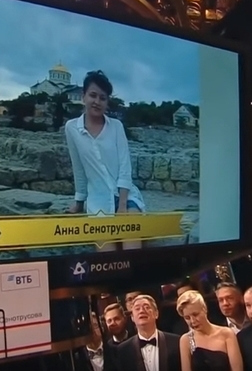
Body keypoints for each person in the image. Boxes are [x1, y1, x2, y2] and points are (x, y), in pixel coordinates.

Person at [64, 70, 145, 251]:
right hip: (98, 201)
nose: (97, 101)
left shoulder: (116, 127)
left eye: (103, 98)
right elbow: (78, 168)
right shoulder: (71, 128)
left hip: (126, 198)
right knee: (106, 256)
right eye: (93, 95)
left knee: (131, 245)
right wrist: (79, 203)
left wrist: (122, 207)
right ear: (83, 96)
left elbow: (125, 166)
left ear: (107, 102)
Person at [176, 290, 243, 371]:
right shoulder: (185, 340)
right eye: (187, 318)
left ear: (204, 309)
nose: (192, 321)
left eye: (195, 314)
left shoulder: (227, 334)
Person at [116, 294, 181, 371]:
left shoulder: (176, 342)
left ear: (156, 314)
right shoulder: (123, 350)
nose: (142, 311)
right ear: (132, 317)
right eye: (137, 308)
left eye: (147, 307)